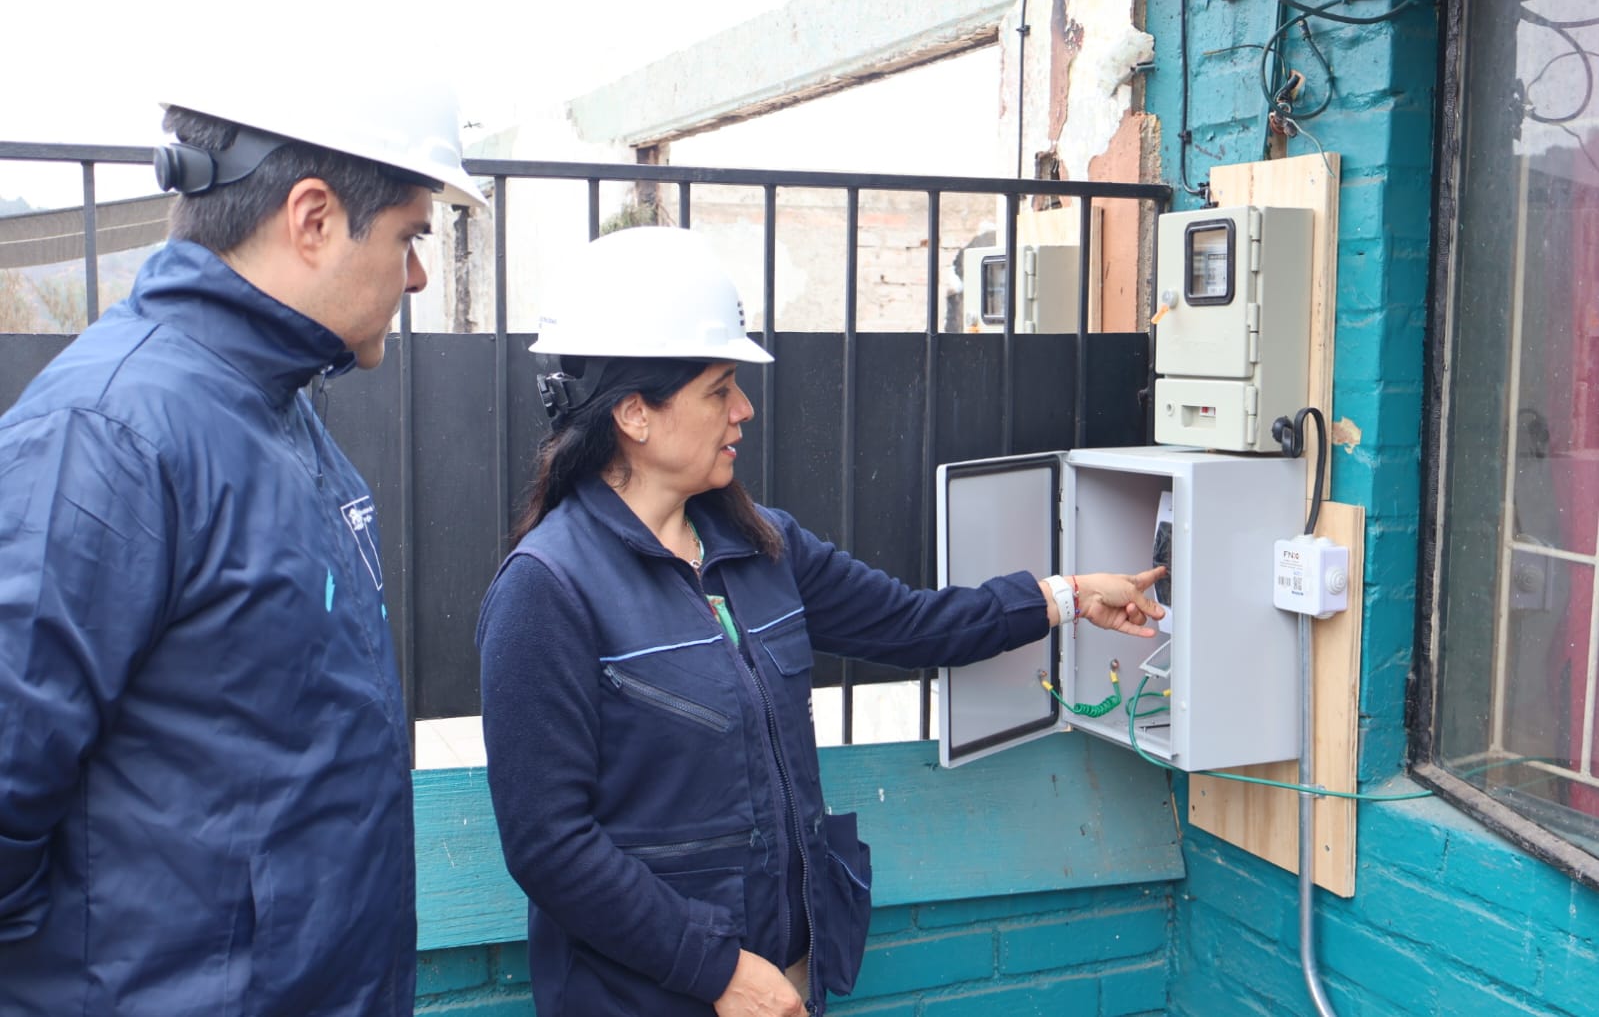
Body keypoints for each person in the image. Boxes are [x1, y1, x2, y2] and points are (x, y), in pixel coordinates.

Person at [476, 225, 1165, 1017]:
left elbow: (915, 625)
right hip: (649, 995)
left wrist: (1068, 594)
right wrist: (717, 973)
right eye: (718, 387)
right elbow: (550, 845)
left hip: (786, 976)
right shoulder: (548, 588)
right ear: (634, 412)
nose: (743, 410)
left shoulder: (761, 544)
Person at [0, 77, 485, 1014]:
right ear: (312, 218)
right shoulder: (109, 433)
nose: (417, 276)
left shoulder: (273, 414)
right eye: (409, 237)